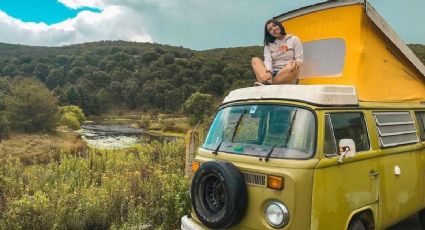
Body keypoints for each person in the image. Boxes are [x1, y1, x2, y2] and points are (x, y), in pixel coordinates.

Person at [252, 19, 304, 85]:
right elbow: (268, 60)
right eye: (270, 29)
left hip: (287, 73)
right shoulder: (268, 45)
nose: (273, 29)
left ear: (279, 25)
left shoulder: (294, 39)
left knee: (293, 65)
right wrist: (269, 72)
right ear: (269, 33)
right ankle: (268, 81)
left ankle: (268, 84)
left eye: (274, 25)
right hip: (271, 74)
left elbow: (300, 60)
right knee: (255, 60)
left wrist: (296, 62)